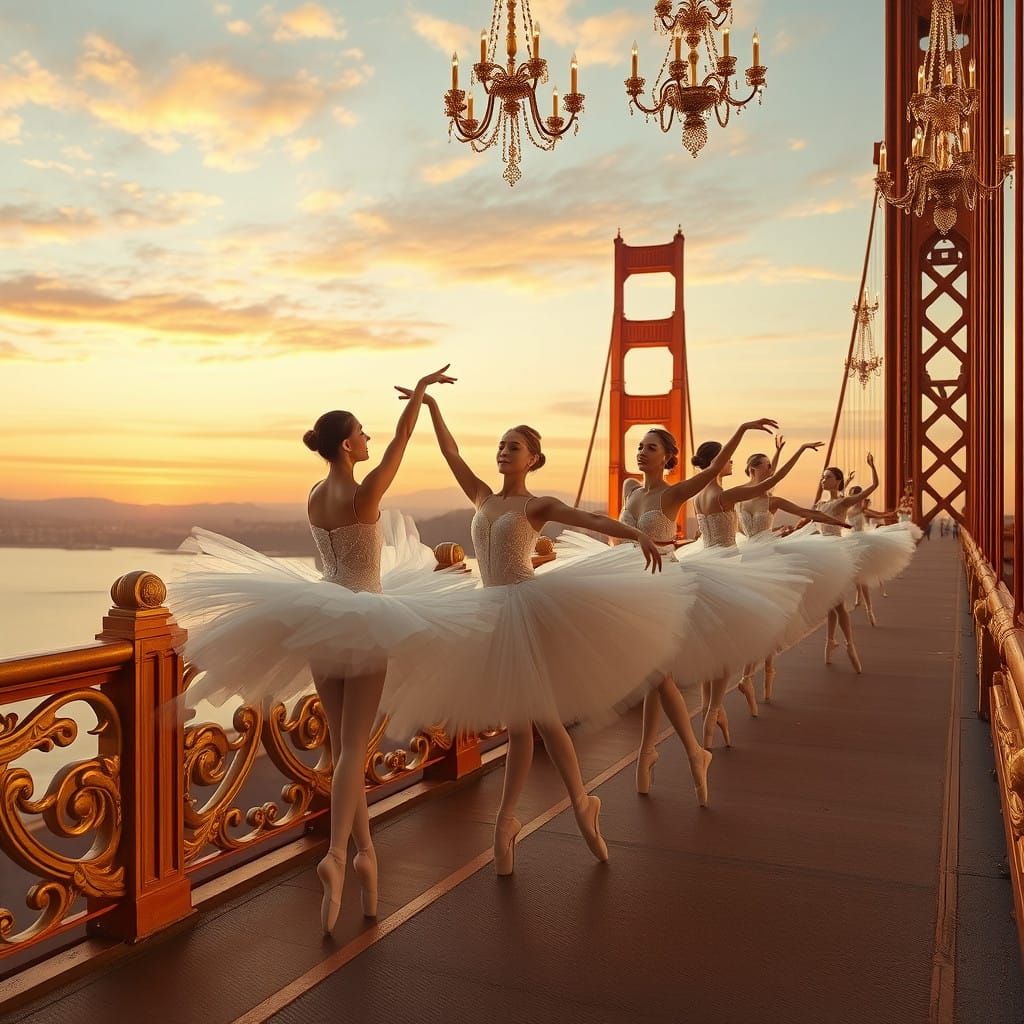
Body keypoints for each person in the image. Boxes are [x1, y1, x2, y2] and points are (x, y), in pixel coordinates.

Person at [169, 366, 493, 934]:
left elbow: (379, 461)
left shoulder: (316, 494)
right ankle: (337, 856)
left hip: (321, 617)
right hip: (365, 618)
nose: (369, 439)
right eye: (361, 433)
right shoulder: (364, 494)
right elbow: (402, 440)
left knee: (345, 749)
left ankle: (365, 857)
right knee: (352, 750)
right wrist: (420, 396)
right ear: (347, 445)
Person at [385, 390, 691, 875]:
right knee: (520, 726)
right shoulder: (483, 496)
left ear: (533, 459)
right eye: (501, 445)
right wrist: (431, 406)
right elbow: (451, 453)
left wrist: (636, 534)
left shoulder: (538, 505)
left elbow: (591, 519)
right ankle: (513, 822)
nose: (504, 451)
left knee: (543, 721)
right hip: (489, 612)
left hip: (525, 611)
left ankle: (576, 805)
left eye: (514, 447)